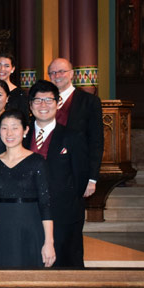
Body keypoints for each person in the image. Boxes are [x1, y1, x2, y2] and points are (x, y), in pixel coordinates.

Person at [0, 109, 55, 269]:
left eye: (15, 127)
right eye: (4, 127)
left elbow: (45, 204)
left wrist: (49, 242)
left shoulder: (37, 162)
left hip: (30, 227)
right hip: (1, 230)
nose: (9, 133)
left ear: (25, 130)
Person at [26, 80, 90, 267]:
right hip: (28, 215)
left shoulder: (72, 136)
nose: (43, 105)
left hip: (63, 216)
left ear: (57, 103)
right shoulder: (21, 135)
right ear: (30, 106)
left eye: (48, 100)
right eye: (38, 101)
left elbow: (80, 178)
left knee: (64, 269)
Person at [47, 57, 104, 196]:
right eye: (52, 73)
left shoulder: (89, 102)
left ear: (71, 74)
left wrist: (92, 178)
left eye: (61, 71)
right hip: (47, 171)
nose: (57, 76)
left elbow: (96, 141)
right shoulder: (43, 102)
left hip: (76, 171)